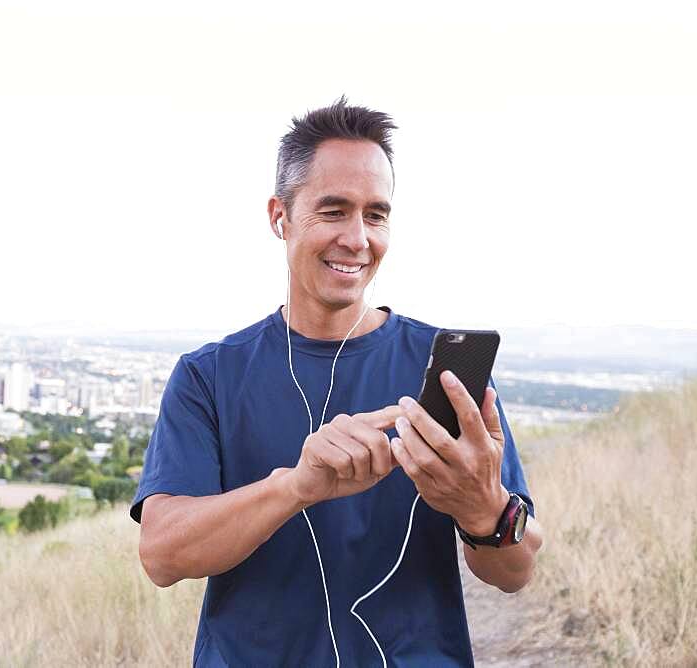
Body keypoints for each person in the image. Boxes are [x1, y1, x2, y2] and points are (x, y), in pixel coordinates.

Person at [129, 95, 544, 667]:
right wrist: (295, 487)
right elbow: (162, 555)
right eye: (333, 211)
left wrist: (483, 509)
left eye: (376, 214)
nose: (358, 238)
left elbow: (515, 572)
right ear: (280, 217)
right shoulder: (209, 375)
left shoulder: (442, 371)